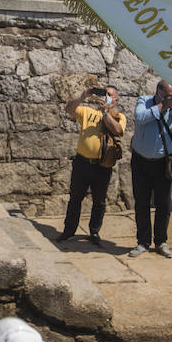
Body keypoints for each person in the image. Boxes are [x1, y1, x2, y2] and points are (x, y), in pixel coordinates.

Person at [129, 79, 172, 258]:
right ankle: (142, 242)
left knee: (164, 203)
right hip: (141, 160)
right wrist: (162, 106)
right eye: (168, 96)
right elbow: (140, 118)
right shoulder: (145, 101)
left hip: (163, 162)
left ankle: (161, 241)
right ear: (158, 93)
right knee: (141, 201)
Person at [58, 85, 126, 246]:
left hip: (102, 166)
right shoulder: (88, 112)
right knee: (75, 198)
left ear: (115, 100)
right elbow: (69, 109)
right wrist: (83, 96)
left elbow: (117, 130)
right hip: (83, 163)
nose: (105, 97)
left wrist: (105, 112)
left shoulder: (118, 116)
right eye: (104, 94)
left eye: (109, 95)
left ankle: (94, 231)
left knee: (99, 201)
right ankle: (69, 230)